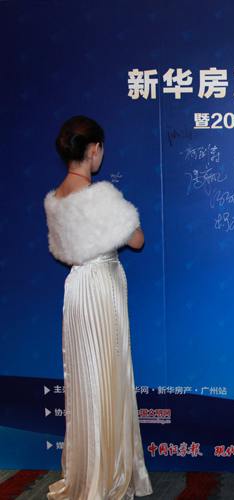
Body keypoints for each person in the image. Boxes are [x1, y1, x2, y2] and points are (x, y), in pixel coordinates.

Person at [44, 116, 152, 499]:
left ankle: (89, 473)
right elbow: (137, 240)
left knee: (85, 382)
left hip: (76, 289)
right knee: (107, 377)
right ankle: (108, 475)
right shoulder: (100, 195)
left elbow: (62, 249)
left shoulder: (55, 199)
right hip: (102, 288)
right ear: (94, 149)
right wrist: (120, 219)